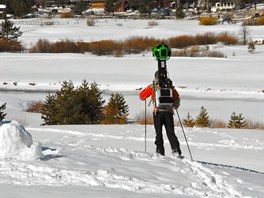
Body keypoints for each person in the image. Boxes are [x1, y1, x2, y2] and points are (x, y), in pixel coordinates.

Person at [139, 71, 182, 157]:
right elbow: (177, 98)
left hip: (158, 112)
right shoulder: (170, 87)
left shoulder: (153, 87)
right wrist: (175, 105)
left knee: (158, 133)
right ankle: (176, 151)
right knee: (171, 133)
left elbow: (141, 96)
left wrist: (147, 88)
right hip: (169, 112)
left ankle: (160, 151)